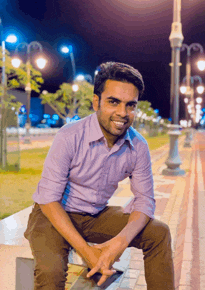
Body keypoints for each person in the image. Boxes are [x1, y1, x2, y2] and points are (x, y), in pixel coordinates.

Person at [24, 61, 174, 290]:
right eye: (113, 102)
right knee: (50, 273)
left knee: (158, 232)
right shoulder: (69, 136)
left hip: (95, 215)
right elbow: (48, 199)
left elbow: (145, 200)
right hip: (53, 214)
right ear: (96, 102)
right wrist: (89, 253)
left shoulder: (138, 145)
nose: (122, 113)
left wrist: (117, 244)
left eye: (130, 105)